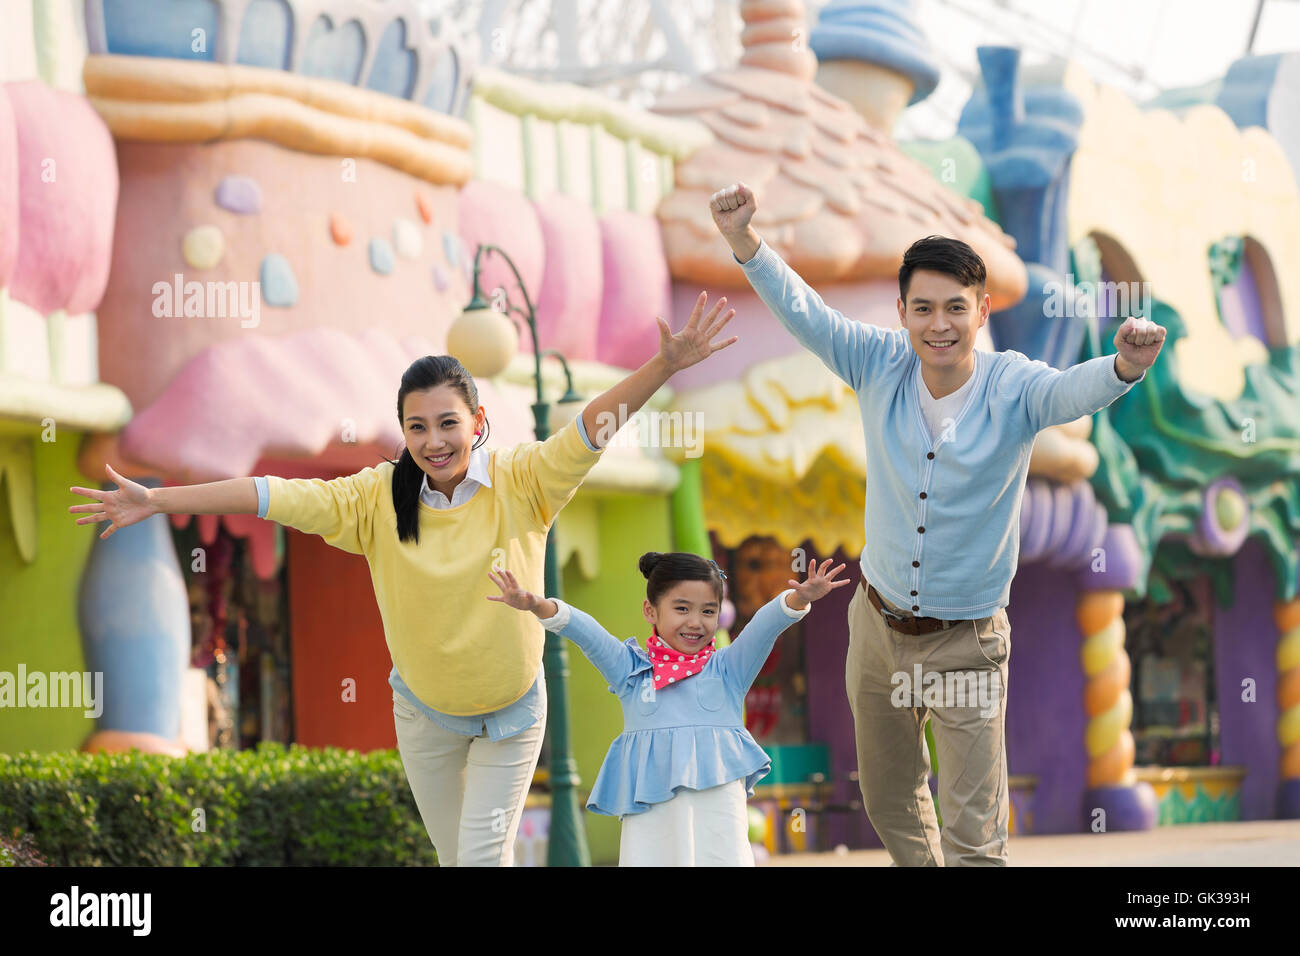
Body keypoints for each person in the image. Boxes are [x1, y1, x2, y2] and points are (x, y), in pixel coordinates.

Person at [67, 293, 738, 867]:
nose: (434, 440)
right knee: (463, 860)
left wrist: (664, 365)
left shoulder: (527, 480)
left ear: (477, 423)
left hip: (512, 712)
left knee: (477, 859)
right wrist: (160, 501)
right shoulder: (373, 499)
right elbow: (266, 494)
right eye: (417, 426)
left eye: (448, 423)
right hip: (425, 715)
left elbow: (591, 429)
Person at [708, 181, 1167, 866]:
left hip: (967, 642)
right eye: (923, 308)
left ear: (981, 312)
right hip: (878, 628)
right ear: (902, 311)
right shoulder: (878, 362)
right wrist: (746, 242)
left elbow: (1070, 389)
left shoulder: (1012, 387)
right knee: (890, 800)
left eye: (956, 307)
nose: (939, 324)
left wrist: (1124, 366)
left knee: (973, 830)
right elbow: (809, 315)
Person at [486, 551, 850, 865]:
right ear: (650, 610)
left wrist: (798, 599)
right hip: (652, 817)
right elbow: (587, 632)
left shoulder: (729, 669)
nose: (696, 622)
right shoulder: (631, 670)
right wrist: (537, 605)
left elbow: (764, 626)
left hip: (717, 819)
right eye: (682, 608)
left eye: (708, 611)